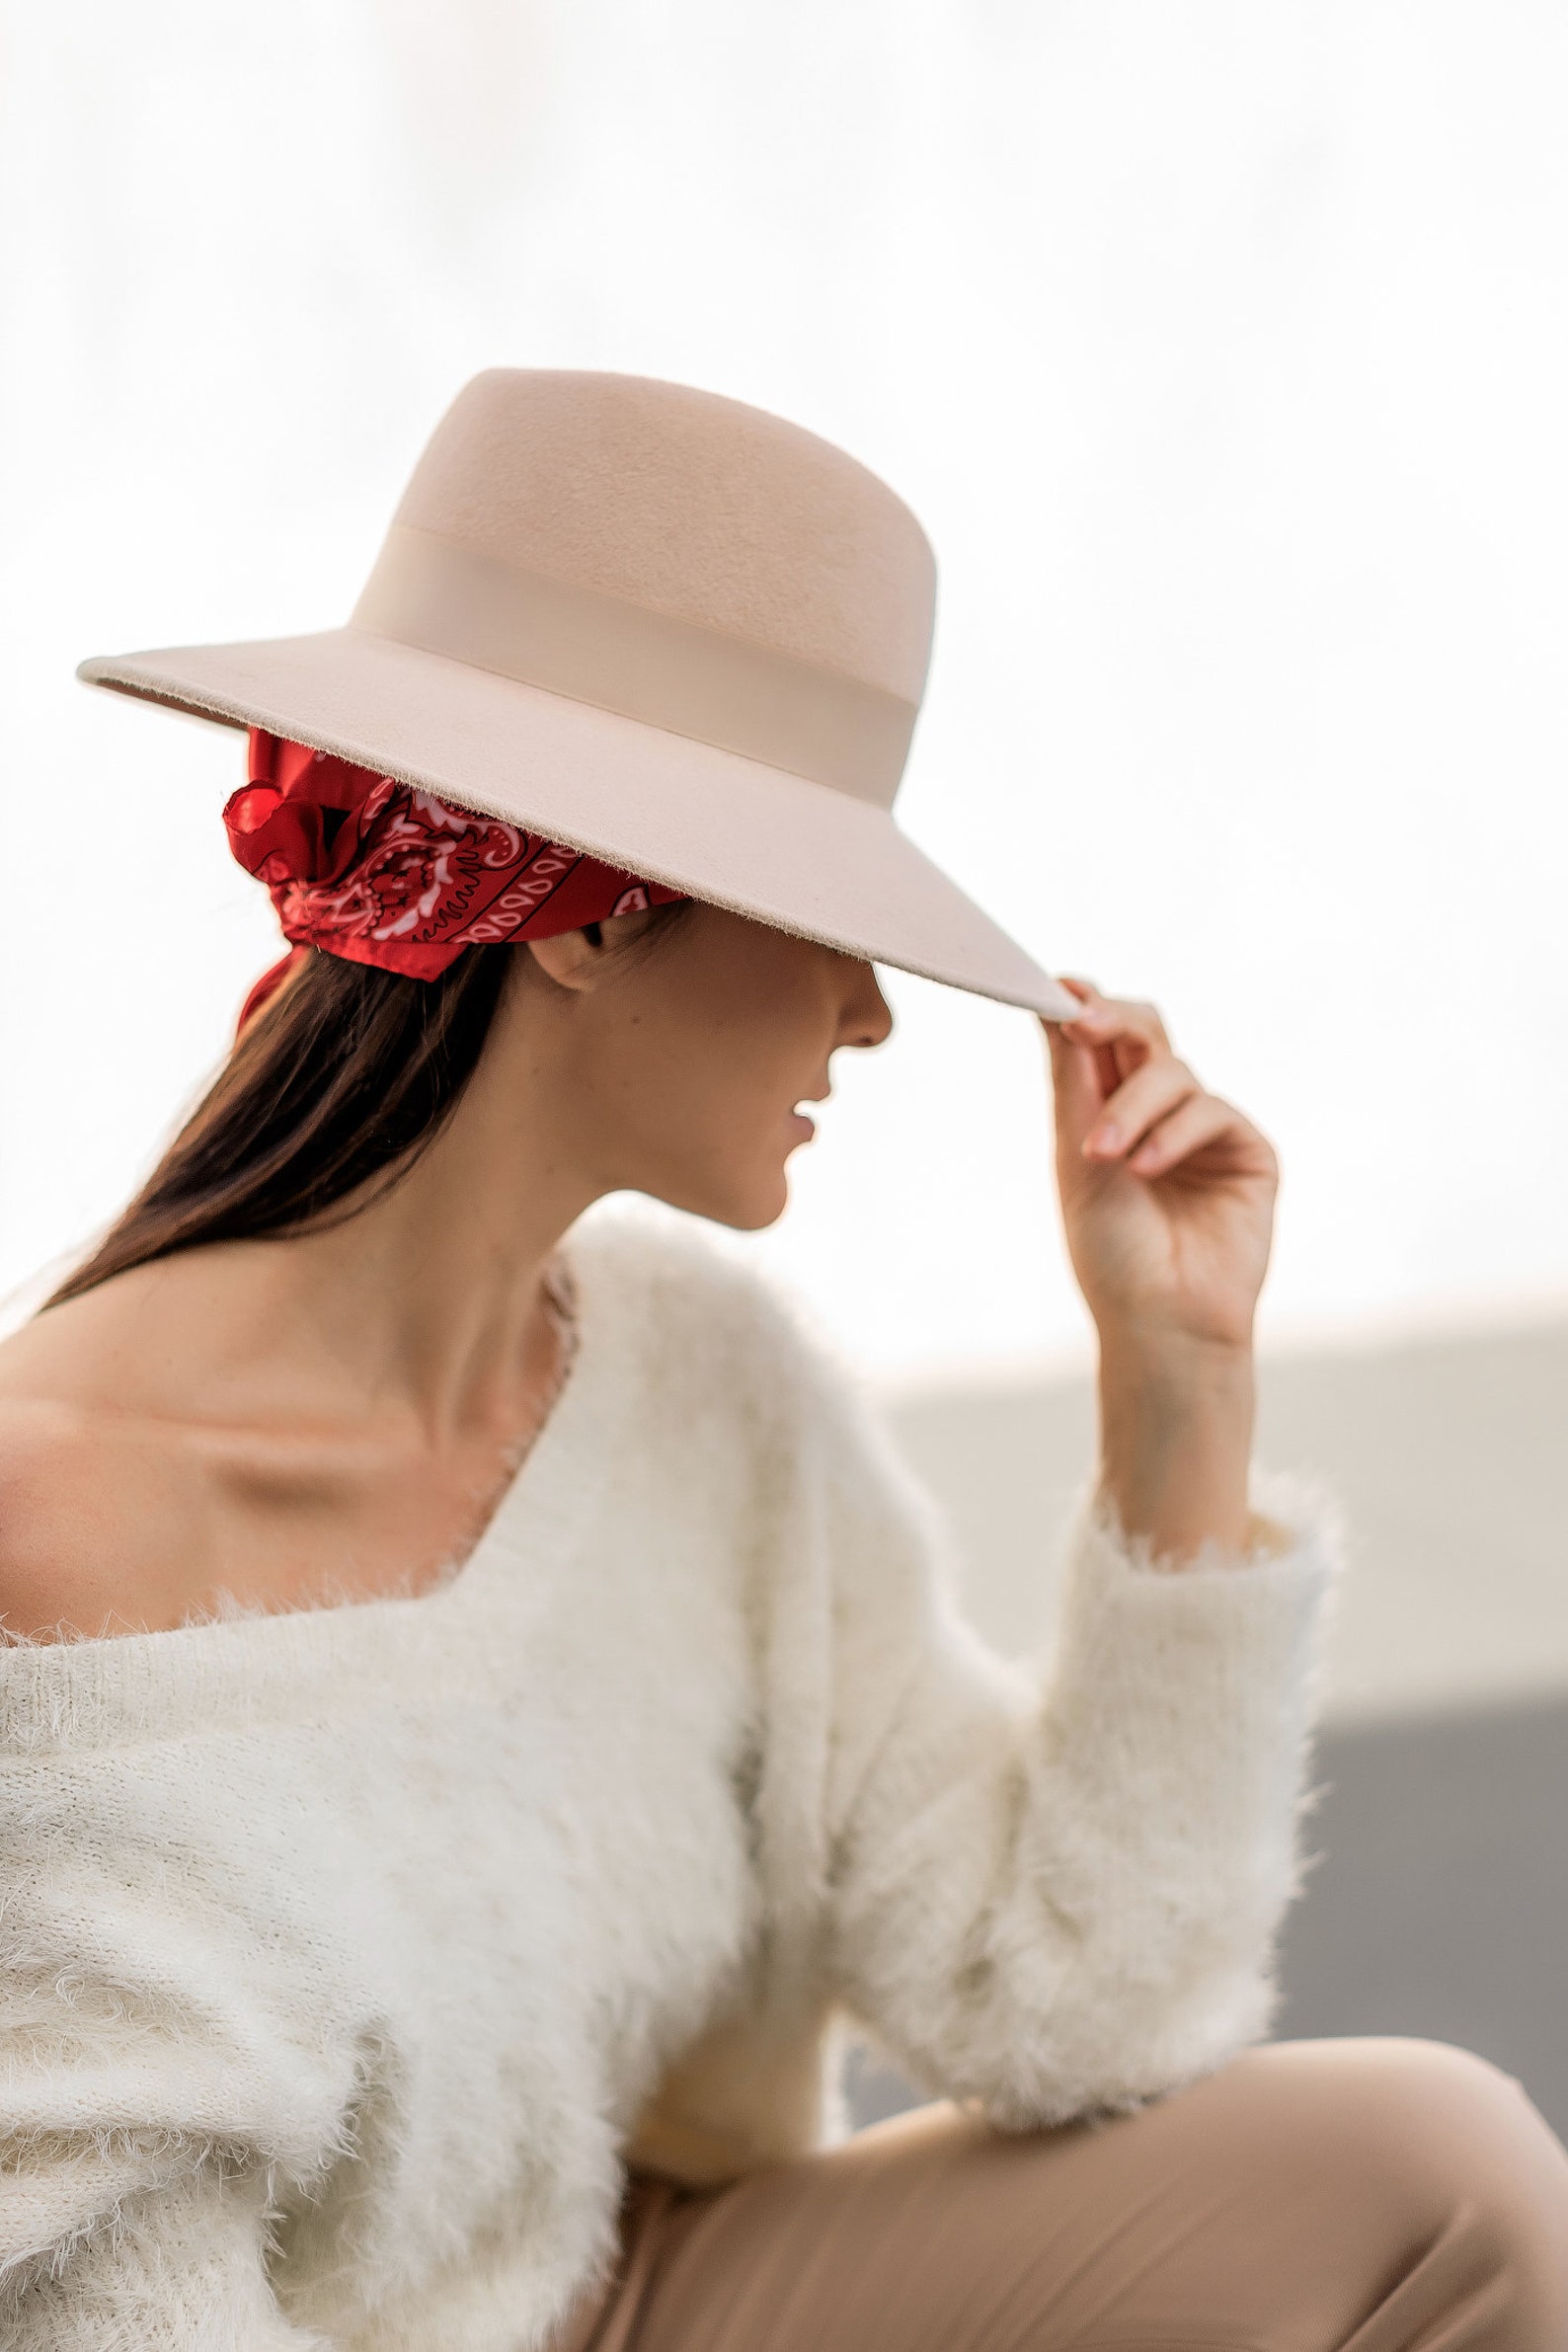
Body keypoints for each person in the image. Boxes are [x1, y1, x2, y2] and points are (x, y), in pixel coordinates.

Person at [0, 371, 1562, 2352]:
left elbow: (1072, 2000)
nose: (866, 1014)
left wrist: (1174, 1386)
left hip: (650, 2301)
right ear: (578, 921)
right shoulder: (49, 1557)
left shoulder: (696, 1388)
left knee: (1439, 2178)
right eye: (820, 915)